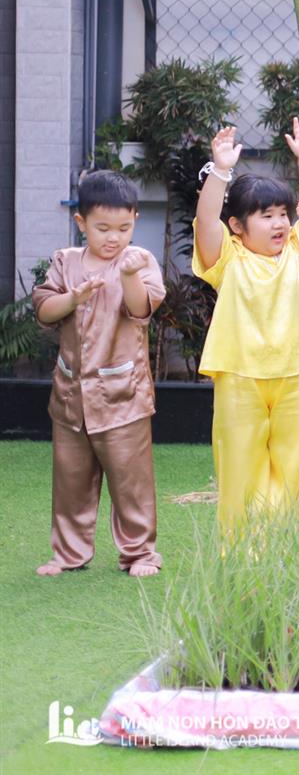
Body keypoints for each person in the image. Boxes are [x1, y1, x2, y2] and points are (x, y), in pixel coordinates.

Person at [193, 116, 299, 529]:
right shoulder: (227, 257)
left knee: (298, 464)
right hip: (240, 375)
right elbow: (207, 221)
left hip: (295, 372)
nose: (279, 223)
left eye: (283, 214)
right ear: (237, 226)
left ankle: (294, 546)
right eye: (266, 216)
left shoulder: (298, 250)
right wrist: (220, 171)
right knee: (240, 466)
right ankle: (241, 551)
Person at [33, 170, 166, 576]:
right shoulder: (66, 261)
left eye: (124, 228)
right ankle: (68, 554)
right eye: (102, 228)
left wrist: (127, 276)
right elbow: (44, 310)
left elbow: (141, 309)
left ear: (135, 220)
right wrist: (72, 299)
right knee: (70, 480)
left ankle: (140, 554)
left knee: (131, 481)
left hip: (123, 396)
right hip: (71, 396)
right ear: (81, 222)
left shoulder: (140, 262)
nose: (114, 238)